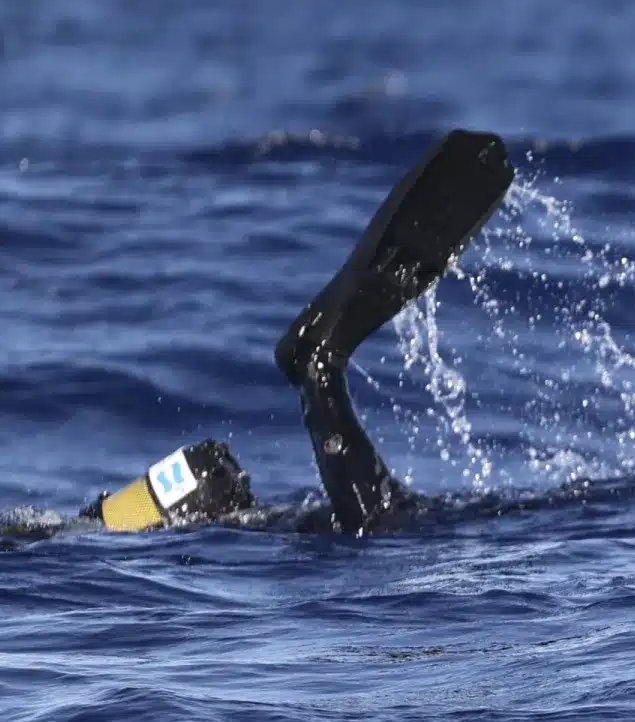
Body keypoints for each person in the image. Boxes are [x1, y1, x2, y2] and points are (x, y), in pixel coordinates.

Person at [78, 129, 515, 537]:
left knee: (383, 524)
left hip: (174, 527)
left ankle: (319, 370)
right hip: (174, 525)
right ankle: (318, 369)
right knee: (377, 525)